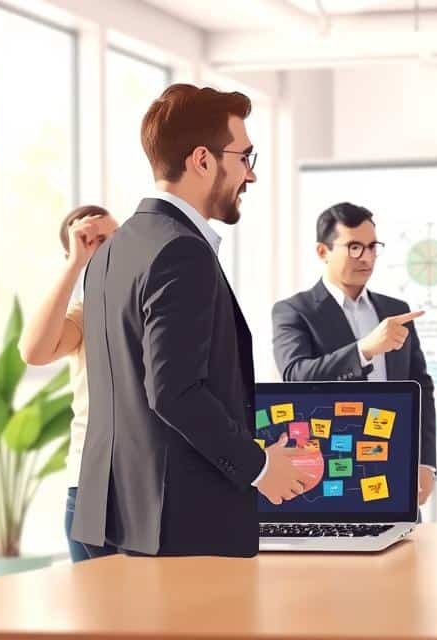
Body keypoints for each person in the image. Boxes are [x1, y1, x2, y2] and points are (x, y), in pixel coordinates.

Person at [71, 84, 312, 558]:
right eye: (245, 157)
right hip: (180, 530)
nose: (251, 175)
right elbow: (174, 390)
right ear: (203, 160)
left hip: (113, 519)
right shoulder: (181, 251)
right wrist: (261, 467)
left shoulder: (112, 252)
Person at [271, 202, 437, 505]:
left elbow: (421, 388)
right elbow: (295, 376)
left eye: (373, 247)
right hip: (333, 469)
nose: (368, 258)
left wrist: (425, 462)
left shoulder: (395, 311)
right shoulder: (294, 311)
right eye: (355, 247)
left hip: (396, 466)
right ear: (323, 252)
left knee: (406, 549)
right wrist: (365, 349)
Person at [18, 205, 119, 562]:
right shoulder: (85, 310)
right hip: (92, 489)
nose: (109, 248)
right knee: (97, 614)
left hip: (149, 488)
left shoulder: (151, 303)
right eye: (95, 242)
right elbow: (33, 351)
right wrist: (75, 264)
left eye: (114, 237)